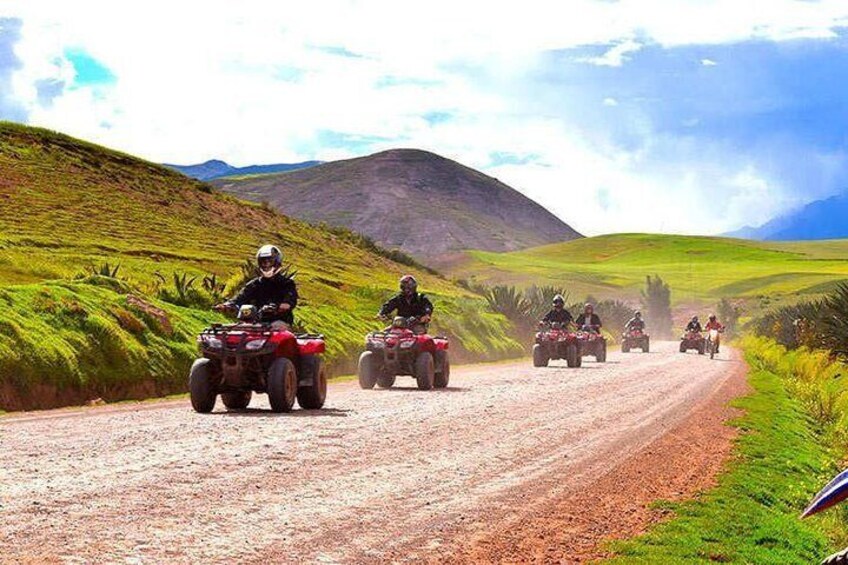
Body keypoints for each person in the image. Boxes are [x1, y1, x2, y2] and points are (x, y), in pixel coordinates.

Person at [214, 244, 298, 325]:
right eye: (263, 261)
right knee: (240, 329)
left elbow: (290, 300)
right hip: (255, 322)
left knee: (277, 327)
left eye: (269, 261)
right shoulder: (254, 284)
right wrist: (226, 305)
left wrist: (280, 306)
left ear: (277, 262)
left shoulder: (287, 283)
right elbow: (240, 297)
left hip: (279, 321)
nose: (266, 264)